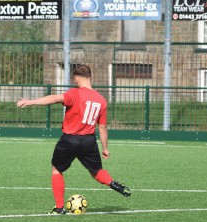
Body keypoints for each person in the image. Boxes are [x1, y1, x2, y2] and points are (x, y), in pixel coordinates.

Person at [17, 64, 131, 214]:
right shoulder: (101, 100)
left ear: (76, 78)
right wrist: (105, 148)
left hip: (69, 140)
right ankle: (113, 183)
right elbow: (102, 128)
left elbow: (55, 98)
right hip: (89, 142)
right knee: (96, 171)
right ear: (91, 77)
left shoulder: (75, 93)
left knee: (57, 169)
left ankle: (59, 207)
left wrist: (32, 102)